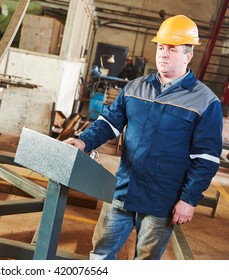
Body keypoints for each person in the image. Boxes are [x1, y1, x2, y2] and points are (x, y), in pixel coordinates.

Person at [64, 15, 223, 260]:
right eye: (161, 47)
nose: (163, 54)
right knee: (100, 253)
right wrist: (83, 140)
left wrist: (188, 200)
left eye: (172, 49)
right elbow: (109, 124)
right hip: (122, 189)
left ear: (188, 55)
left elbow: (206, 159)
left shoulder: (205, 101)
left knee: (145, 261)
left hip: (163, 200)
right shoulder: (135, 88)